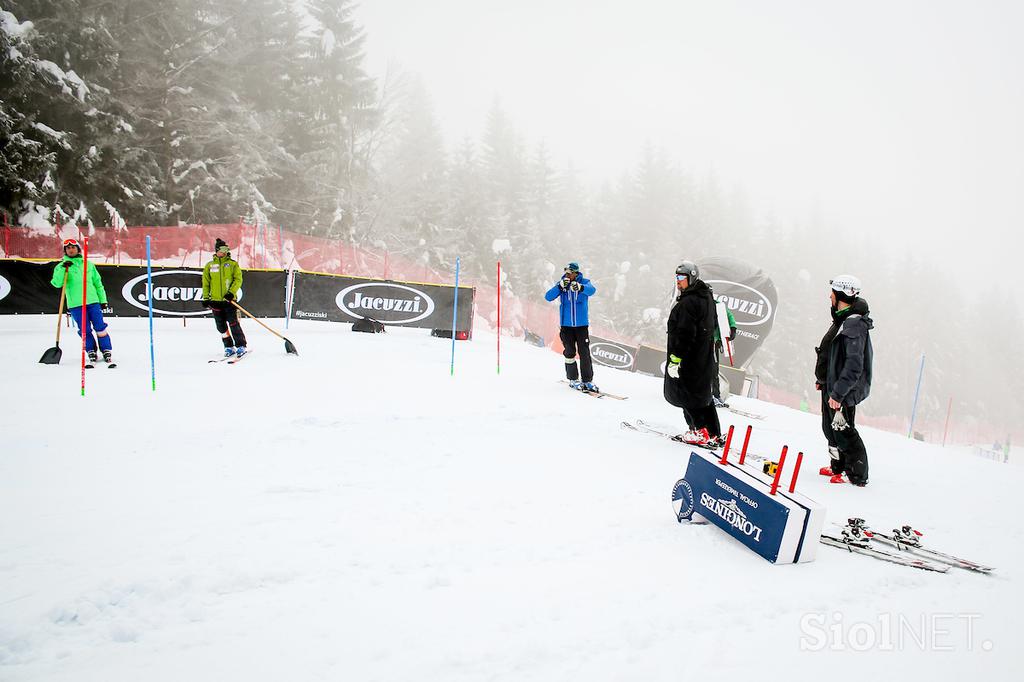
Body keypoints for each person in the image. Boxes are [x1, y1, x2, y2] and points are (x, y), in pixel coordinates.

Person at [814, 274, 873, 486]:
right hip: (831, 385)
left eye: (832, 292)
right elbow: (832, 354)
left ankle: (857, 475)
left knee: (844, 431)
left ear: (841, 295)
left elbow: (854, 365)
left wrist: (838, 393)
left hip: (842, 390)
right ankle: (837, 466)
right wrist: (822, 378)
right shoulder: (842, 320)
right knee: (829, 429)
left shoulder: (854, 324)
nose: (829, 296)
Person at [664, 261, 722, 446]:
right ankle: (714, 432)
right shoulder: (706, 298)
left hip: (689, 358)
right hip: (702, 357)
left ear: (692, 278)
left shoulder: (689, 302)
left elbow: (685, 333)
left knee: (687, 395)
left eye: (682, 278)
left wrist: (675, 359)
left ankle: (698, 430)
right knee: (703, 395)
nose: (678, 282)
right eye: (677, 278)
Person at [51, 238, 114, 364]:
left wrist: (103, 300)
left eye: (73, 247)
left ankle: (106, 349)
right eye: (68, 248)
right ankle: (91, 350)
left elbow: (98, 283)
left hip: (93, 301)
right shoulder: (61, 266)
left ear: (78, 249)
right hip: (76, 304)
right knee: (85, 330)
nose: (71, 250)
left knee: (100, 327)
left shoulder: (88, 264)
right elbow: (56, 283)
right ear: (65, 251)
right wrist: (63, 268)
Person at [545, 261, 598, 391]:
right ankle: (573, 379)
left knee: (584, 353)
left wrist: (581, 288)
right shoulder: (562, 284)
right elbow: (548, 297)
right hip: (566, 326)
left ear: (576, 273)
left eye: (570, 273)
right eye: (566, 273)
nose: (568, 275)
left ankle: (587, 380)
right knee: (569, 352)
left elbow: (592, 290)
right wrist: (559, 287)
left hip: (581, 326)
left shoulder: (584, 282)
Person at [201, 238, 247, 357]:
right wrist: (206, 298)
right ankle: (228, 346)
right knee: (221, 326)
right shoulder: (210, 265)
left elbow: (238, 280)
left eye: (226, 249)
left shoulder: (232, 264)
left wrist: (231, 292)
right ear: (217, 250)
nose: (225, 252)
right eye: (222, 249)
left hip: (229, 300)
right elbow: (206, 283)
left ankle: (241, 345)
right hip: (215, 301)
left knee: (233, 324)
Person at [712, 302, 737, 407]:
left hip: (713, 345)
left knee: (714, 371)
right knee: (705, 371)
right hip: (702, 345)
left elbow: (729, 315)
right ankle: (708, 395)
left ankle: (715, 395)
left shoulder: (717, 305)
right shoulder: (698, 304)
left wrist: (733, 328)